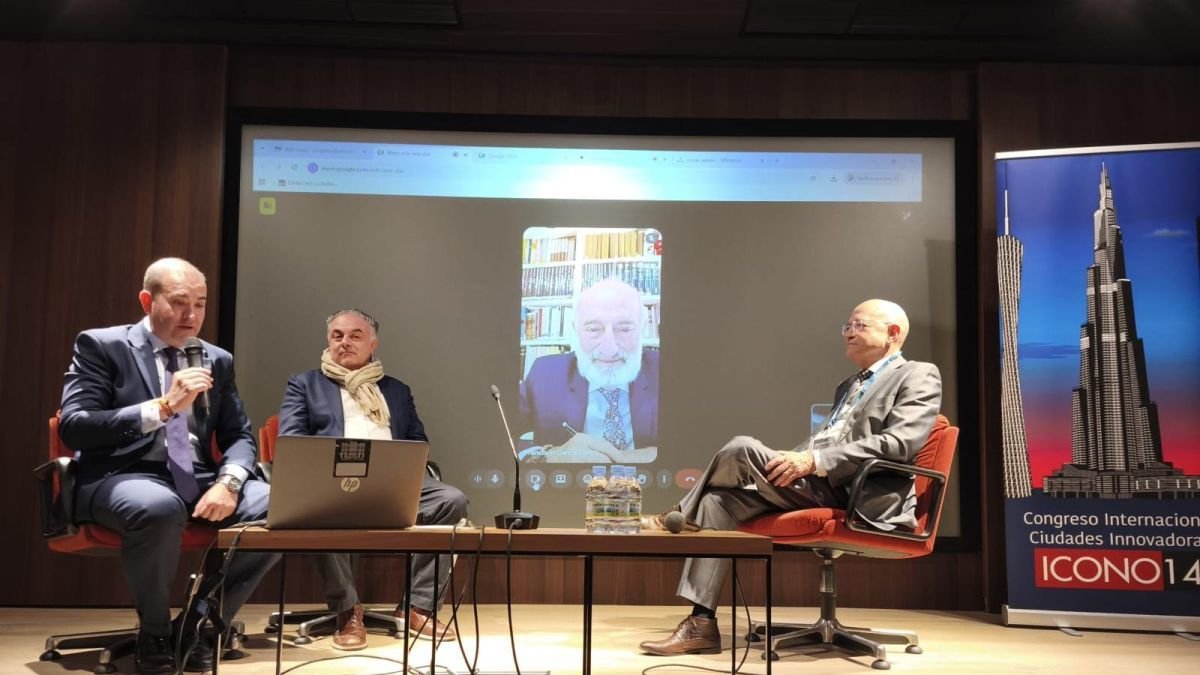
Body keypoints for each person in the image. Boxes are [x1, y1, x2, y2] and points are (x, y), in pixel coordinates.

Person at [638, 299, 942, 656]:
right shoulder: (849, 384)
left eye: (859, 325)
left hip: (860, 492)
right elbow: (823, 441)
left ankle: (678, 515)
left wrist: (814, 461)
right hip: (819, 485)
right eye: (846, 326)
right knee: (716, 502)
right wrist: (793, 461)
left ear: (893, 333)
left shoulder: (918, 374)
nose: (848, 333)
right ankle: (701, 623)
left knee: (741, 448)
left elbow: (900, 443)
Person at [59, 257, 278, 674]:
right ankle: (155, 634)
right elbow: (76, 427)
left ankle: (198, 624)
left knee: (278, 506)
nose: (191, 315)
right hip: (123, 475)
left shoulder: (216, 358)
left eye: (200, 303)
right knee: (159, 506)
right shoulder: (103, 346)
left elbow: (239, 436)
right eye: (179, 303)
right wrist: (161, 408)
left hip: (197, 478)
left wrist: (229, 483)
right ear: (147, 300)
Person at [278, 308, 469, 650]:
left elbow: (417, 442)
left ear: (373, 343)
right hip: (330, 485)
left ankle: (417, 606)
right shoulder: (305, 384)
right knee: (318, 507)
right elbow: (293, 440)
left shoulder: (396, 390)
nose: (345, 342)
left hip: (389, 482)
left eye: (355, 336)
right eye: (337, 336)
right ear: (328, 341)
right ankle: (347, 611)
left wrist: (400, 468)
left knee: (451, 500)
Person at [519, 277, 658, 464]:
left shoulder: (668, 371)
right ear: (575, 330)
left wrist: (663, 455)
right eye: (593, 329)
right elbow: (496, 434)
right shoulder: (545, 373)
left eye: (624, 329)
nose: (610, 350)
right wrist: (550, 457)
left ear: (642, 329)